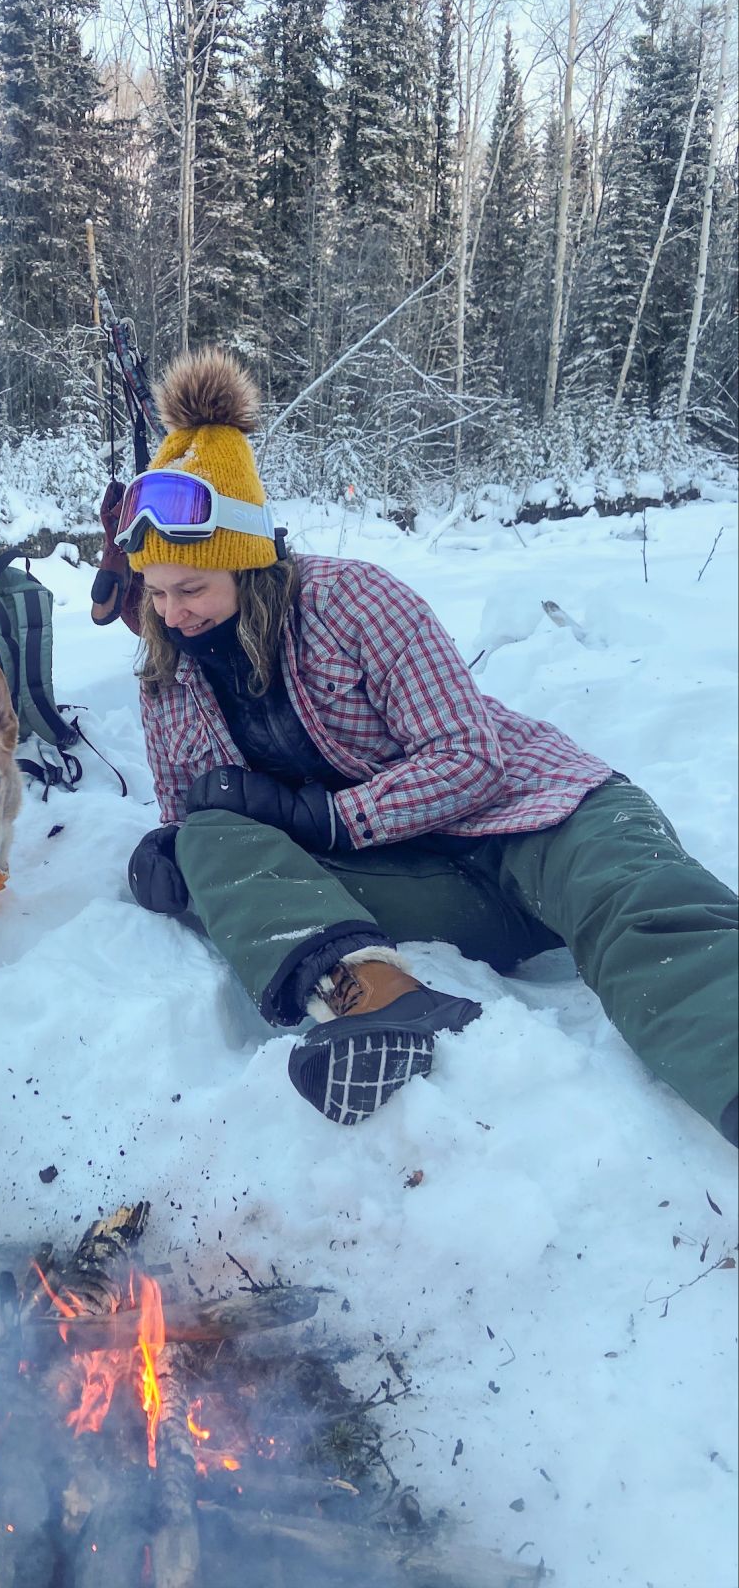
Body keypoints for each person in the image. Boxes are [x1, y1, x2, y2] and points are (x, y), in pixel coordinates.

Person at [111, 346, 738, 1145]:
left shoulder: (353, 600)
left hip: (539, 821)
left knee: (644, 905)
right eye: (156, 593)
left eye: (191, 587)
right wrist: (172, 854)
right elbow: (195, 815)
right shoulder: (165, 674)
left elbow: (471, 760)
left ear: (248, 563)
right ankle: (376, 994)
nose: (172, 613)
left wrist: (325, 818)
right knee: (206, 837)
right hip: (423, 887)